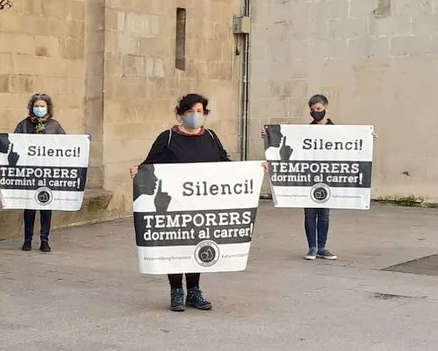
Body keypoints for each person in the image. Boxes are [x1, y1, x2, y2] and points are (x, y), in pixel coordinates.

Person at [130, 93, 269, 312]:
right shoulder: (167, 138)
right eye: (190, 112)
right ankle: (176, 290)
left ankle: (194, 290)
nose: (195, 116)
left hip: (202, 203)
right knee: (176, 245)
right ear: (180, 114)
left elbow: (224, 164)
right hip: (173, 204)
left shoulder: (210, 137)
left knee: (197, 242)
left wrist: (252, 171)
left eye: (200, 112)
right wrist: (138, 171)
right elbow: (150, 165)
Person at [261, 94, 376, 261]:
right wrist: (268, 135)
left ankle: (322, 247)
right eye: (312, 110)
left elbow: (352, 141)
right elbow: (286, 139)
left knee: (324, 214)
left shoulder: (336, 130)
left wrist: (367, 137)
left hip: (327, 178)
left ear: (326, 107)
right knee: (309, 213)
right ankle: (312, 248)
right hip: (309, 177)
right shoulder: (306, 131)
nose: (315, 113)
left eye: (318, 109)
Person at [14, 93, 66, 253]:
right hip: (29, 171)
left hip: (47, 172)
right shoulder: (24, 125)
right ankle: (27, 240)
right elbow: (13, 142)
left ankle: (45, 240)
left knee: (45, 205)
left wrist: (85, 141)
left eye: (42, 106)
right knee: (29, 207)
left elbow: (66, 144)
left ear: (48, 108)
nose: (39, 109)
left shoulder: (54, 126)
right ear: (32, 107)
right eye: (36, 106)